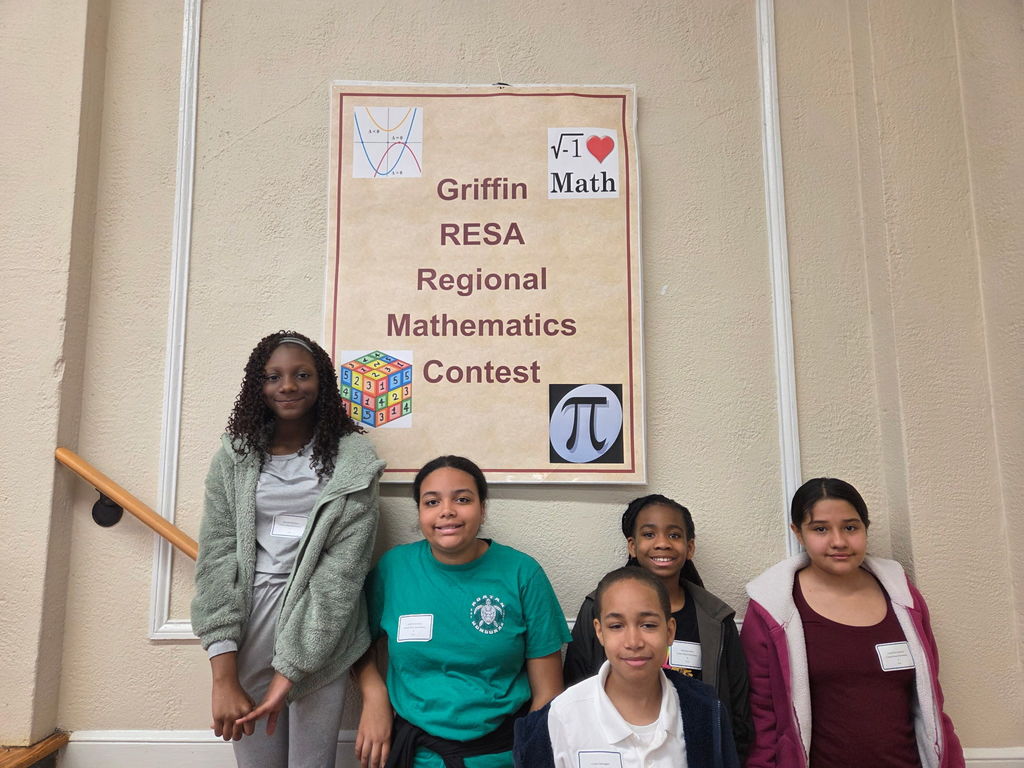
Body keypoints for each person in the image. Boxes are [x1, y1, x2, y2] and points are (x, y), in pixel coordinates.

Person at [191, 330, 385, 768]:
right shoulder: (234, 457)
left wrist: (292, 668)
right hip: (249, 619)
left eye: (302, 374)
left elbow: (341, 575)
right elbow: (217, 556)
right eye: (273, 376)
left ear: (323, 383)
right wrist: (223, 674)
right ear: (256, 386)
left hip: (322, 622)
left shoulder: (353, 459)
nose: (288, 385)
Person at [354, 455, 571, 768]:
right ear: (419, 512)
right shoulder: (394, 569)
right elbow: (355, 642)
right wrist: (374, 695)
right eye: (432, 502)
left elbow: (547, 693)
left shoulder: (522, 573)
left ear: (482, 508)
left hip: (503, 753)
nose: (447, 511)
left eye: (462, 499)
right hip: (415, 753)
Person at [740, 477, 964, 768]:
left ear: (865, 528)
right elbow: (763, 717)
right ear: (798, 533)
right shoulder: (773, 609)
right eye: (820, 529)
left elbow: (931, 701)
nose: (839, 541)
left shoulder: (904, 599)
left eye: (850, 527)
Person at [563, 494, 752, 759]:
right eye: (649, 534)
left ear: (690, 547)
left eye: (674, 536)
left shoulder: (716, 618)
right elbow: (575, 686)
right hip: (613, 751)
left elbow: (738, 710)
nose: (662, 544)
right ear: (632, 545)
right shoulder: (599, 608)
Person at [514, 566, 740, 768]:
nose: (633, 642)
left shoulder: (705, 711)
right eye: (616, 626)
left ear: (669, 631)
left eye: (648, 625)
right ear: (599, 632)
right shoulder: (561, 717)